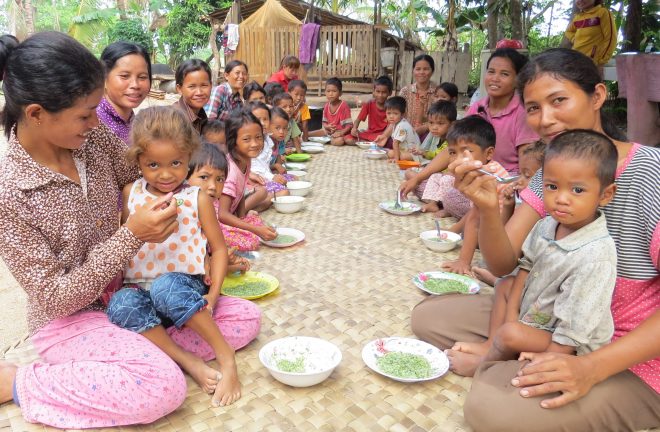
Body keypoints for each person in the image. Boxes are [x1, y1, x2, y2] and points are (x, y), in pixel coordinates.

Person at [411, 48, 660, 431]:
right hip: (548, 315)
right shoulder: (552, 172)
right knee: (430, 317)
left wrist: (590, 368)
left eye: (558, 100)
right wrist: (489, 210)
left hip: (624, 344)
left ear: (596, 96)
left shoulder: (648, 173)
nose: (545, 120)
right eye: (532, 108)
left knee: (492, 411)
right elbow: (504, 263)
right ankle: (513, 355)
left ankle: (509, 363)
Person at [0, 31, 185, 429]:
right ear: (35, 114)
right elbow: (56, 297)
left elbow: (135, 173)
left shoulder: (90, 137)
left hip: (129, 292)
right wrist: (131, 234)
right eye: (85, 114)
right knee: (162, 384)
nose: (94, 121)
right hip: (69, 318)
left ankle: (137, 349)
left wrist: (196, 214)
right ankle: (17, 381)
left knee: (238, 319)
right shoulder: (10, 193)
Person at [107, 106, 259, 408]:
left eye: (176, 163)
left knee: (166, 286)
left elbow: (216, 249)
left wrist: (213, 296)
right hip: (143, 292)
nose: (166, 174)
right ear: (138, 160)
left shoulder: (196, 197)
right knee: (120, 303)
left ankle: (225, 356)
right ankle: (188, 360)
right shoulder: (129, 194)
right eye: (153, 164)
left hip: (183, 290)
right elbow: (121, 242)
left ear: (189, 156)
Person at [448, 130, 618, 378]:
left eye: (577, 191)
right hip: (537, 314)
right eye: (552, 186)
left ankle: (485, 363)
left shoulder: (597, 255)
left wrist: (550, 356)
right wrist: (512, 315)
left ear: (605, 195)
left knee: (510, 335)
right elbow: (525, 269)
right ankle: (493, 344)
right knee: (505, 286)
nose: (561, 199)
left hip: (567, 341)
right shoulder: (547, 224)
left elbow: (576, 326)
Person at [466, 48, 539, 173]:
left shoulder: (522, 113)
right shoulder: (477, 107)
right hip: (476, 173)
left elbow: (528, 168)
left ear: (518, 80)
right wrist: (421, 176)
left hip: (507, 181)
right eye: (491, 72)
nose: (495, 78)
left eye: (504, 74)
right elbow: (457, 145)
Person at [187, 143, 252, 275]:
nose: (212, 186)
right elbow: (189, 267)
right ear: (184, 175)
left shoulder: (209, 210)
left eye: (220, 179)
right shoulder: (182, 213)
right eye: (204, 177)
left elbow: (208, 257)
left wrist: (226, 261)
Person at [216, 112, 277, 251]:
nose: (255, 144)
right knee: (251, 241)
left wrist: (243, 217)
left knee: (257, 221)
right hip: (215, 222)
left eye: (258, 137)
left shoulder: (245, 160)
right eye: (246, 139)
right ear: (233, 141)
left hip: (229, 216)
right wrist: (255, 230)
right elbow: (222, 214)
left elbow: (241, 191)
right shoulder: (230, 170)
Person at [97, 41, 151, 143]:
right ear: (104, 77)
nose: (135, 85)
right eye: (125, 76)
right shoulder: (95, 123)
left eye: (142, 77)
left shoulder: (133, 119)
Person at [245, 101, 291, 206]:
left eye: (265, 119)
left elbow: (264, 165)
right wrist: (272, 177)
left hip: (263, 177)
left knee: (289, 184)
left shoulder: (265, 139)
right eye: (257, 119)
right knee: (285, 192)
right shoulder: (252, 141)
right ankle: (256, 205)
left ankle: (263, 200)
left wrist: (273, 172)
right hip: (252, 179)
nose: (262, 123)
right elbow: (255, 166)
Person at [561, 0, 617, 68]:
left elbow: (611, 38)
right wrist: (574, 39)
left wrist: (601, 61)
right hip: (576, 60)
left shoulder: (603, 12)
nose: (580, 0)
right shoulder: (578, 17)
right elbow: (568, 31)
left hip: (592, 63)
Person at [399, 54, 439, 137]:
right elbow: (398, 114)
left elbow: (443, 117)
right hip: (406, 132)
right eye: (418, 69)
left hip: (430, 134)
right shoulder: (405, 91)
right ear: (413, 71)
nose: (421, 72)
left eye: (426, 69)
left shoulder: (438, 93)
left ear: (432, 71)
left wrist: (425, 127)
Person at [311, 77, 355, 146]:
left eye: (334, 91)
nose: (331, 94)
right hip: (329, 132)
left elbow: (349, 125)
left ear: (340, 93)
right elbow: (324, 122)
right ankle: (306, 135)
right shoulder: (326, 106)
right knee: (315, 133)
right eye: (328, 91)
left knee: (342, 141)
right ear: (325, 92)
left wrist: (341, 133)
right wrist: (327, 126)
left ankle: (329, 140)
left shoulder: (343, 106)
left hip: (342, 133)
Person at [351, 75, 392, 146]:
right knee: (348, 139)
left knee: (388, 140)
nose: (380, 95)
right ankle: (371, 143)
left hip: (383, 134)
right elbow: (358, 120)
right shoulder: (369, 104)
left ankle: (369, 142)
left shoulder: (391, 107)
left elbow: (391, 126)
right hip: (369, 133)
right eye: (378, 92)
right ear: (373, 91)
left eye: (384, 92)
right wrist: (354, 128)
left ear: (390, 93)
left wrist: (384, 135)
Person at [173, 59, 211, 134]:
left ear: (211, 85)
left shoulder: (201, 115)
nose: (199, 92)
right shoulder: (174, 120)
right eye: (192, 86)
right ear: (179, 89)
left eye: (204, 85)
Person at [384, 96, 420, 162]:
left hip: (413, 154)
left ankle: (398, 158)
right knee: (389, 152)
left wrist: (396, 159)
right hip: (404, 150)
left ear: (402, 114)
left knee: (391, 153)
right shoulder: (396, 123)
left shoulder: (402, 126)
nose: (391, 116)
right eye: (389, 113)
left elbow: (395, 143)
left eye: (395, 113)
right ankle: (398, 156)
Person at [269, 106, 291, 176]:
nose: (281, 132)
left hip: (271, 171)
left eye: (284, 128)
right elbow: (259, 168)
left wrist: (280, 168)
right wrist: (276, 166)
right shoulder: (264, 144)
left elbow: (278, 156)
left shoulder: (278, 141)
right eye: (277, 128)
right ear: (268, 127)